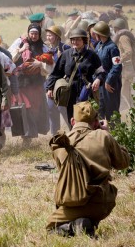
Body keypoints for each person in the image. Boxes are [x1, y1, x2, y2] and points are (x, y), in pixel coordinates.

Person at [46, 101, 130, 237]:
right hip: (101, 202)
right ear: (96, 122)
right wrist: (108, 134)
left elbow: (64, 171)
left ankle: (74, 226)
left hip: (73, 201)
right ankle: (86, 224)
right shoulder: (103, 137)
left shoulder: (61, 142)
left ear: (72, 121)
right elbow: (123, 163)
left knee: (51, 228)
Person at [45, 29, 102, 124]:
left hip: (87, 89)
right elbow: (56, 73)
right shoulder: (65, 54)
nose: (75, 42)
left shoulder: (92, 55)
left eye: (78, 39)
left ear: (84, 40)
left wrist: (98, 80)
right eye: (73, 40)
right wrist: (49, 88)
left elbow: (101, 72)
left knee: (87, 116)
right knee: (72, 117)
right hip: (70, 91)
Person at [9, 23, 52, 143]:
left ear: (39, 35)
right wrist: (22, 50)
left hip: (36, 85)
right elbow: (10, 60)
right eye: (32, 33)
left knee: (35, 110)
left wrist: (41, 64)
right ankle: (25, 138)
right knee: (24, 110)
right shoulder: (20, 44)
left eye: (36, 34)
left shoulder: (43, 48)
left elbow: (50, 65)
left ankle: (31, 135)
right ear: (28, 33)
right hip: (22, 84)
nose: (33, 36)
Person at [90, 22, 122, 126]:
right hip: (100, 82)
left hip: (110, 84)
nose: (94, 36)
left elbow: (117, 66)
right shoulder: (99, 45)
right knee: (100, 110)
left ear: (101, 34)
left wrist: (108, 81)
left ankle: (116, 136)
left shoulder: (112, 47)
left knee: (111, 112)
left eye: (96, 34)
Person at [44, 25, 70, 135]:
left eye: (51, 35)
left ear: (57, 36)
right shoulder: (48, 49)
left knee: (63, 110)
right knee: (51, 109)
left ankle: (74, 132)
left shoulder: (65, 48)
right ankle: (55, 136)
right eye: (47, 35)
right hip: (51, 84)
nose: (48, 37)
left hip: (63, 85)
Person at [111, 18, 135, 111]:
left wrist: (118, 60)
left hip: (127, 68)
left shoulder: (123, 37)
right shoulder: (124, 36)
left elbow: (128, 52)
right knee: (125, 91)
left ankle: (132, 108)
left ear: (116, 28)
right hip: (127, 68)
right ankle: (132, 108)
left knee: (125, 91)